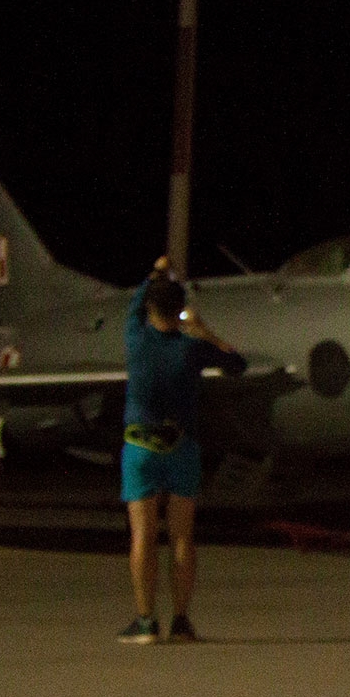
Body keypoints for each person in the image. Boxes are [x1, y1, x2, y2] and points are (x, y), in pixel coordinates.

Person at [118, 256, 245, 644]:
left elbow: (135, 305)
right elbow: (236, 363)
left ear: (151, 308)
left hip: (139, 446)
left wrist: (154, 273)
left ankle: (145, 622)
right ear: (180, 310)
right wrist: (204, 332)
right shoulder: (193, 349)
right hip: (181, 446)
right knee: (182, 537)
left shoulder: (136, 339)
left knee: (143, 535)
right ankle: (181, 621)